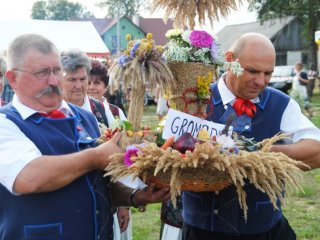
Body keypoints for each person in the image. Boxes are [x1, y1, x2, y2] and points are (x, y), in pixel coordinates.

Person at [0, 33, 170, 240]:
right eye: (42, 72)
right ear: (13, 79)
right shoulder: (5, 123)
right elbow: (27, 177)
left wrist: (134, 196)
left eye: (57, 70)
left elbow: (97, 185)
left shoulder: (85, 117)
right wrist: (94, 157)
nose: (54, 80)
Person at [182, 33, 320, 240]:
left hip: (262, 230)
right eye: (253, 71)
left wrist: (260, 154)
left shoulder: (281, 105)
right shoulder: (193, 99)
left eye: (268, 73)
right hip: (202, 230)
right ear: (229, 60)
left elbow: (316, 150)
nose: (261, 81)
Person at [60, 50, 146, 240]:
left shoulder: (106, 111)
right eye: (72, 79)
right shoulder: (53, 112)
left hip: (103, 199)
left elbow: (124, 156)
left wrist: (125, 201)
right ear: (59, 80)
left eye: (83, 79)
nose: (80, 85)